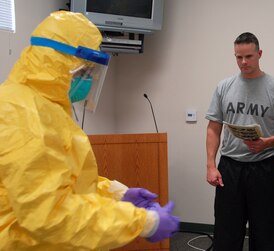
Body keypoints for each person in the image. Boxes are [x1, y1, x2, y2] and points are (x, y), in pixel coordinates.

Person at [0, 11, 179, 250]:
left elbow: (67, 182)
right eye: (86, 71)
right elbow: (50, 216)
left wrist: (116, 193)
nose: (88, 79)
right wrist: (144, 222)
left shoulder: (45, 105)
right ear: (66, 63)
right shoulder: (24, 115)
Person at [205, 32, 274, 251]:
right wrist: (210, 164)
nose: (244, 62)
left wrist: (269, 142)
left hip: (264, 167)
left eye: (248, 56)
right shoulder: (224, 87)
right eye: (239, 57)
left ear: (259, 54)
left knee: (267, 233)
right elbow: (213, 128)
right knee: (227, 232)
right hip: (230, 167)